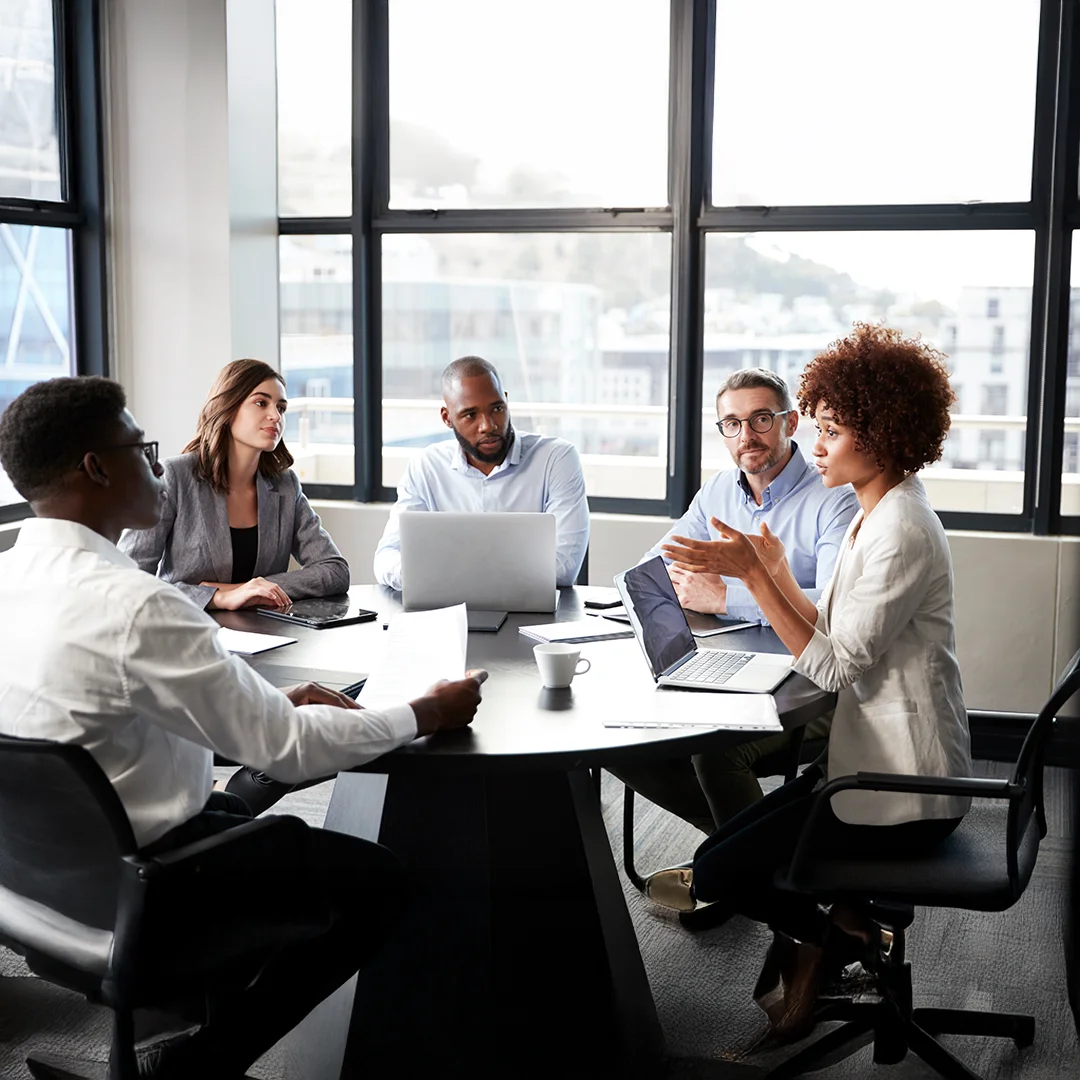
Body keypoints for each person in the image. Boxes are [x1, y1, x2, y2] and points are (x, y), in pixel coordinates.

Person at [0, 376, 487, 1079]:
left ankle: (190, 1025)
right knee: (375, 883)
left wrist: (271, 701)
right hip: (151, 885)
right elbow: (288, 756)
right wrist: (425, 711)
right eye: (141, 449)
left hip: (37, 886)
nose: (155, 465)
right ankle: (199, 1067)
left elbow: (106, 702)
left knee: (240, 812)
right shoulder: (141, 606)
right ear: (96, 468)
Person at [661, 323, 972, 1040]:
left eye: (832, 430)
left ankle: (836, 941)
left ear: (885, 434)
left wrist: (752, 580)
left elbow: (829, 666)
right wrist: (771, 570)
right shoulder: (879, 511)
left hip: (902, 787)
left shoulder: (900, 530)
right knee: (719, 861)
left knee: (720, 873)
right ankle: (844, 937)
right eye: (820, 427)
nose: (818, 445)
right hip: (863, 764)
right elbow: (830, 627)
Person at [611, 370, 857, 909]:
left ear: (791, 422)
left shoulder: (833, 494)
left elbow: (831, 605)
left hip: (817, 685)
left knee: (717, 751)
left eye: (761, 419)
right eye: (732, 423)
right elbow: (660, 564)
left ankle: (741, 872)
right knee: (617, 739)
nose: (747, 435)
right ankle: (743, 859)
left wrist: (727, 598)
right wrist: (640, 595)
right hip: (737, 666)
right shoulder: (721, 488)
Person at [119, 359, 350, 813]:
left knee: (336, 713)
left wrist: (253, 585)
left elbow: (334, 568)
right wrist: (218, 594)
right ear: (226, 408)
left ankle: (232, 802)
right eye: (260, 403)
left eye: (281, 407)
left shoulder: (283, 484)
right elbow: (127, 579)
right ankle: (229, 811)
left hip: (271, 650)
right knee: (301, 726)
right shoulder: (176, 477)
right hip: (191, 651)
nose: (275, 417)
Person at [373, 356, 590, 590]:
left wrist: (441, 575)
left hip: (532, 618)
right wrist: (419, 575)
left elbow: (564, 568)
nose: (488, 426)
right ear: (447, 418)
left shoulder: (555, 458)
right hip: (448, 613)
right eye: (470, 415)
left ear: (506, 401)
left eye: (497, 408)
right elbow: (387, 556)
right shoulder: (426, 466)